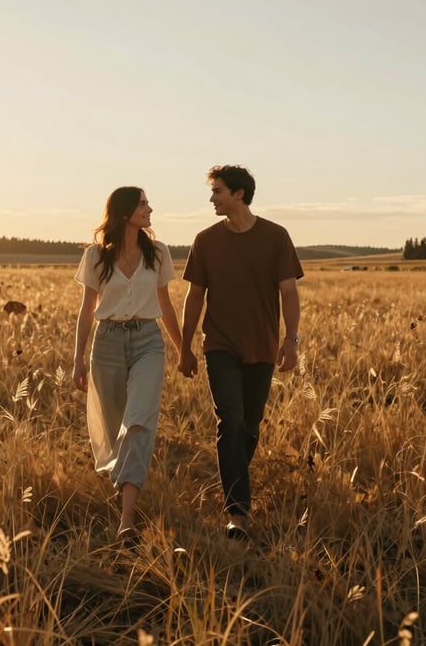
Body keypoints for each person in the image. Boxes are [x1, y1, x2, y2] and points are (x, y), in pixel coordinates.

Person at [178, 165, 303, 540]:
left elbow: (289, 292)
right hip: (220, 344)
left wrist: (291, 340)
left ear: (239, 194)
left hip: (262, 345)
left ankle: (234, 480)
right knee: (229, 420)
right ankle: (237, 514)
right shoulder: (206, 240)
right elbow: (194, 296)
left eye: (217, 191)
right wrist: (184, 347)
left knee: (250, 425)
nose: (212, 198)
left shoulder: (276, 237)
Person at [73, 186, 182, 542]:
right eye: (143, 204)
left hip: (148, 343)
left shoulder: (158, 252)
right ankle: (125, 488)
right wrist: (78, 359)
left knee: (137, 423)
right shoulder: (95, 256)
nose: (150, 209)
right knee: (115, 425)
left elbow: (165, 305)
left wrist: (184, 350)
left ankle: (127, 521)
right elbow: (87, 310)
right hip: (106, 344)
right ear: (123, 213)